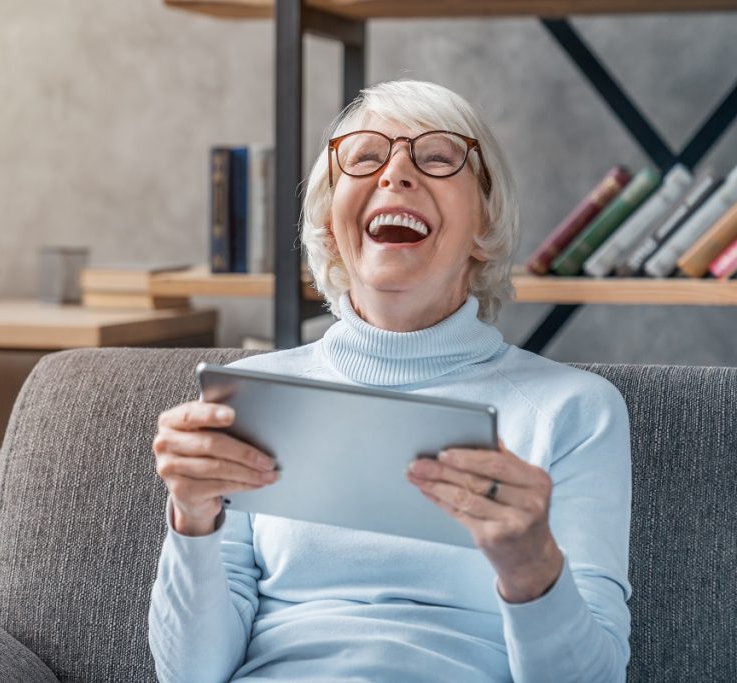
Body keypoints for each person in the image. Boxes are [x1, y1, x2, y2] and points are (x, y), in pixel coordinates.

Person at [149, 80, 631, 682]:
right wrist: (192, 519)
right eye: (365, 156)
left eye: (436, 156)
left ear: (485, 225)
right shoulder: (248, 399)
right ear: (328, 223)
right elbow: (188, 675)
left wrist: (532, 566)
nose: (396, 172)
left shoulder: (574, 410)